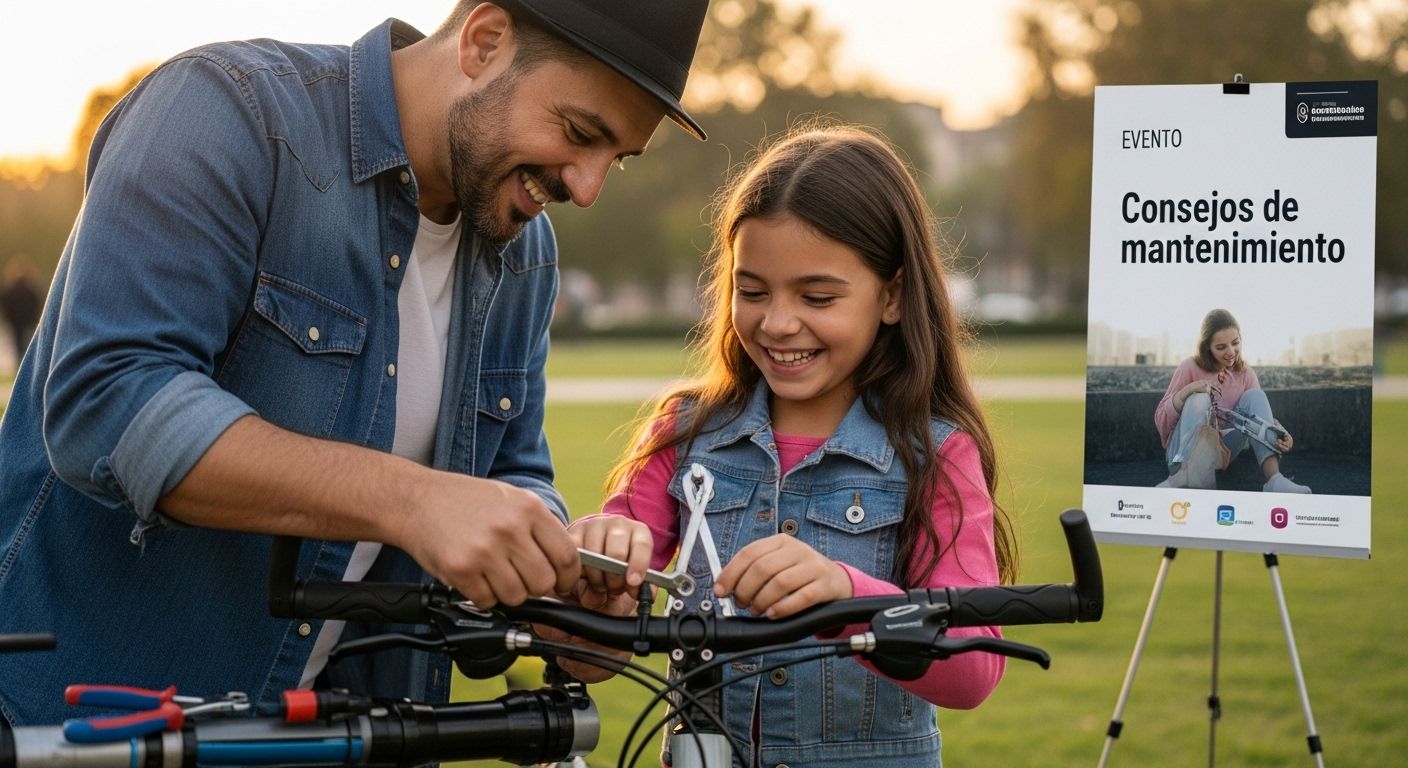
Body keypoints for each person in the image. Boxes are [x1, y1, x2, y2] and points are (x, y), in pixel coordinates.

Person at [0, 0, 710, 725]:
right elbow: (109, 401)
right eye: (580, 133)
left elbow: (507, 476)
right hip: (81, 726)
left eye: (613, 159)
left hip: (341, 734)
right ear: (484, 41)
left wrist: (563, 587)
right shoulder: (226, 111)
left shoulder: (527, 255)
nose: (587, 188)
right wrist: (412, 501)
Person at [564, 126, 1020, 767]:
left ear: (891, 295)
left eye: (817, 297)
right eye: (751, 292)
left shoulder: (935, 456)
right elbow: (585, 660)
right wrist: (595, 580)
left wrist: (844, 595)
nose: (777, 323)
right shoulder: (684, 435)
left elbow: (973, 670)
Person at [1154, 308, 1310, 493]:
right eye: (1221, 347)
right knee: (1199, 399)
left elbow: (1259, 415)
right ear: (1207, 347)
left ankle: (1274, 480)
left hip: (1223, 452)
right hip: (1182, 454)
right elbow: (1161, 421)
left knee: (1256, 396)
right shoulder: (1189, 366)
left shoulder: (1245, 373)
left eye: (1235, 343)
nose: (1231, 352)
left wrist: (1280, 434)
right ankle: (1182, 476)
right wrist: (1187, 391)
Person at [0, 254, 42, 367]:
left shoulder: (10, 290)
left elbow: (5, 303)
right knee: (28, 344)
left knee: (18, 345)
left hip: (15, 322)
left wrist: (8, 317)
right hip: (27, 321)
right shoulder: (31, 290)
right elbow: (37, 303)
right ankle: (27, 365)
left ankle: (20, 365)